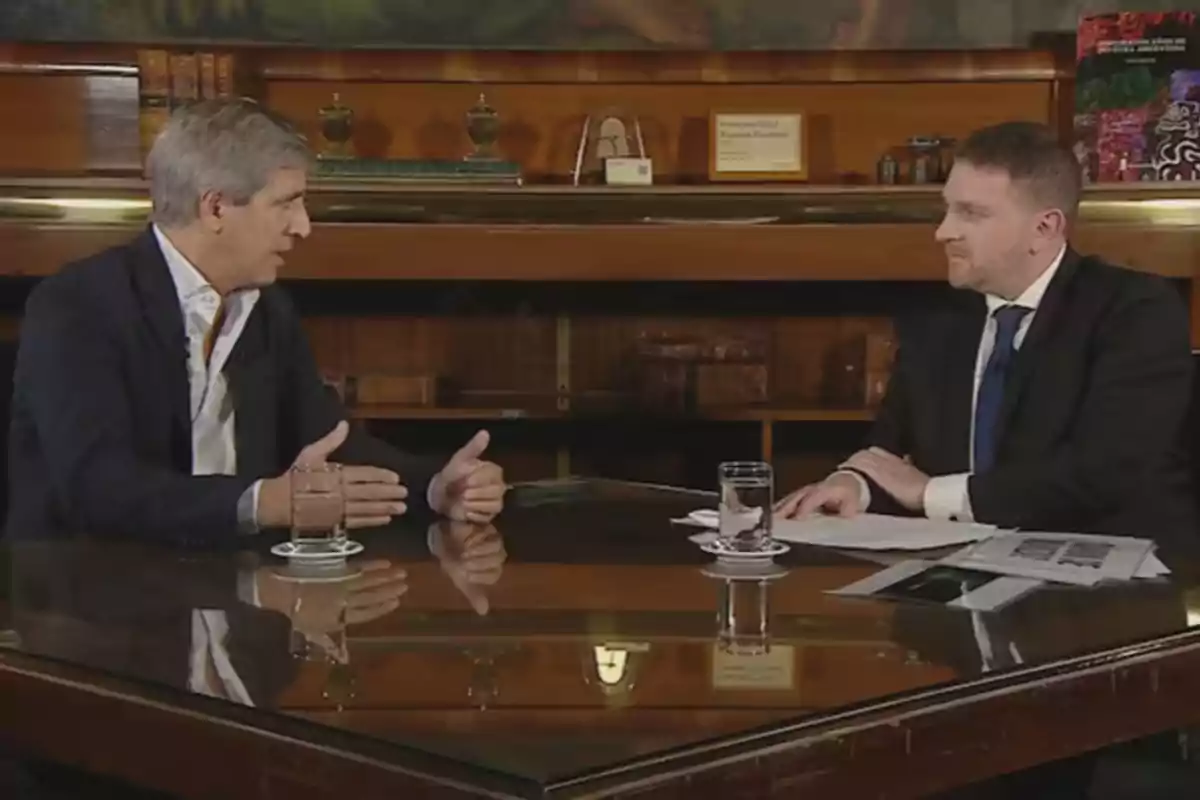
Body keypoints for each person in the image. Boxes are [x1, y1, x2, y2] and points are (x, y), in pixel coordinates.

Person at [6, 98, 507, 544]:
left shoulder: (265, 308)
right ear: (217, 207)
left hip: (227, 593)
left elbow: (329, 440)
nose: (304, 226)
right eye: (286, 203)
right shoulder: (79, 305)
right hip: (86, 602)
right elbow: (97, 488)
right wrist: (263, 503)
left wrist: (435, 486)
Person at [777, 121, 1195, 541]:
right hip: (962, 567)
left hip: (1112, 579)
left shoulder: (1135, 311)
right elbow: (888, 447)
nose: (943, 232)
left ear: (1044, 228)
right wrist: (853, 483)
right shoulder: (939, 320)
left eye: (971, 214)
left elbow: (1102, 474)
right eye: (947, 209)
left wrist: (929, 494)